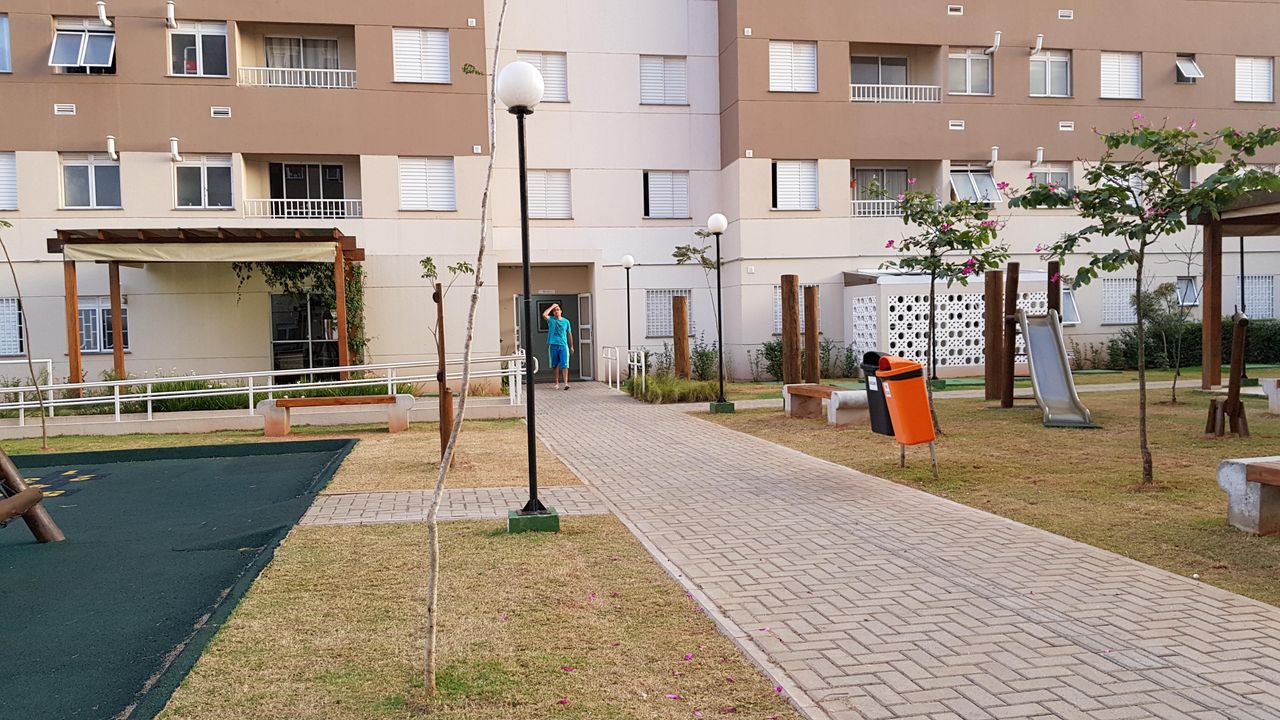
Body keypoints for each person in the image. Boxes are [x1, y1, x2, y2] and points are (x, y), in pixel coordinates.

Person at [542, 303, 574, 390]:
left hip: (563, 345)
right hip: (553, 344)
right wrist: (553, 306)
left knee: (565, 364)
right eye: (555, 310)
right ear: (553, 312)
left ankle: (566, 383)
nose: (556, 311)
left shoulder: (566, 321)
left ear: (561, 311)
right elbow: (544, 314)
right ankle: (556, 383)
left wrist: (571, 346)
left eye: (558, 309)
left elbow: (569, 333)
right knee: (555, 365)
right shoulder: (551, 320)